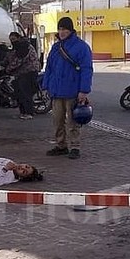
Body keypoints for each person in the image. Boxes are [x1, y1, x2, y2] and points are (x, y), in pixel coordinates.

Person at [41, 16, 93, 159]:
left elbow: (87, 69)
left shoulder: (82, 47)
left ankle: (75, 146)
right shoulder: (56, 47)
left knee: (72, 121)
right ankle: (61, 145)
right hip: (56, 91)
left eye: (64, 29)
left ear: (71, 30)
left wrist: (83, 90)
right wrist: (46, 85)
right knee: (57, 120)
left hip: (72, 91)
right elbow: (49, 68)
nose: (62, 32)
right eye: (60, 29)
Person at [5, 36, 41, 120]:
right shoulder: (20, 47)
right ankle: (23, 112)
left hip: (29, 72)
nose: (12, 41)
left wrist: (8, 69)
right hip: (21, 73)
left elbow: (19, 60)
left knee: (25, 92)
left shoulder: (25, 47)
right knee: (19, 92)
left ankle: (29, 112)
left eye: (13, 39)